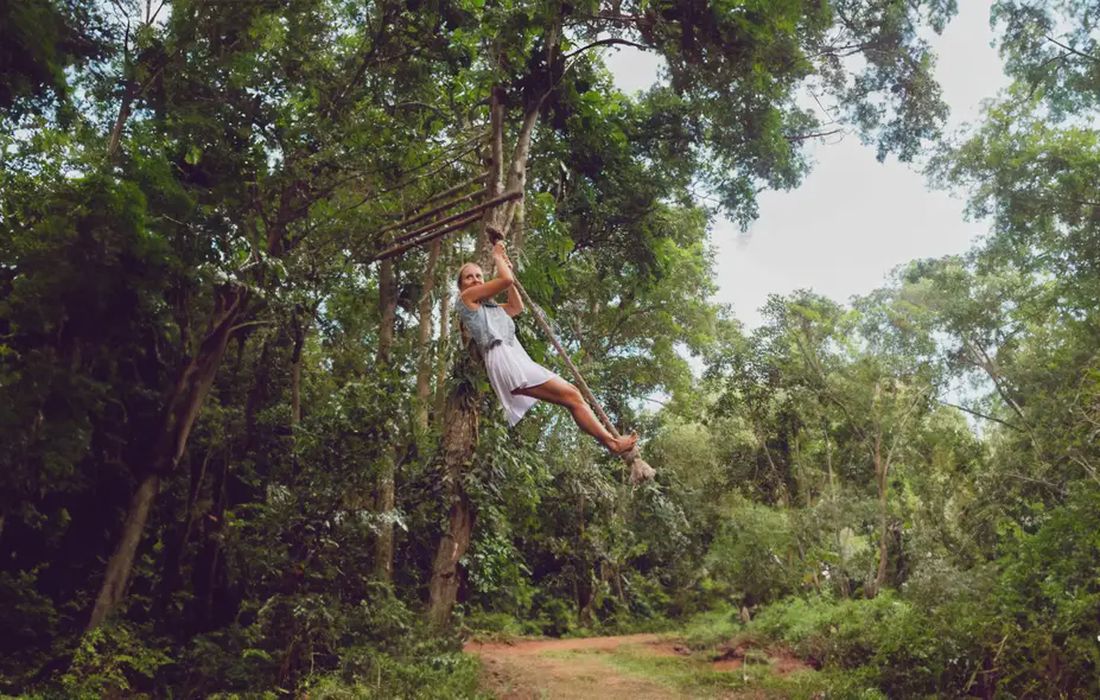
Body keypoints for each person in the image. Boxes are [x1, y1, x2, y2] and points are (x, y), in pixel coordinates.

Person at [456, 240, 639, 455]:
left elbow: (516, 307)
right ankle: (613, 444)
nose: (476, 280)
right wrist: (497, 257)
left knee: (572, 396)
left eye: (479, 276)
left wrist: (510, 273)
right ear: (461, 286)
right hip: (503, 359)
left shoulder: (492, 308)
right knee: (571, 396)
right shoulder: (466, 299)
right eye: (469, 277)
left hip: (514, 358)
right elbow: (504, 279)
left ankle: (612, 443)